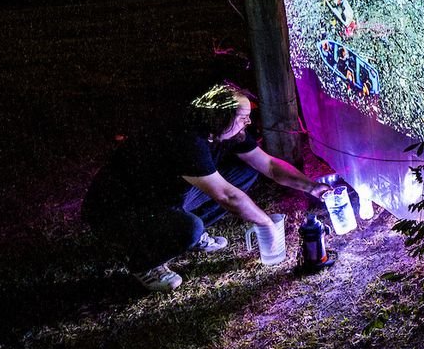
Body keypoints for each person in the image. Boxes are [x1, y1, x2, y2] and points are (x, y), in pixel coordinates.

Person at [82, 84, 343, 291]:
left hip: (163, 194)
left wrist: (311, 187)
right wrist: (265, 223)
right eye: (243, 118)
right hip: (120, 210)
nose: (248, 124)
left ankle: (184, 229)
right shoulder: (187, 139)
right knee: (190, 228)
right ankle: (144, 264)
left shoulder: (229, 132)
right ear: (220, 117)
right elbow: (227, 196)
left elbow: (270, 166)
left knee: (244, 171)